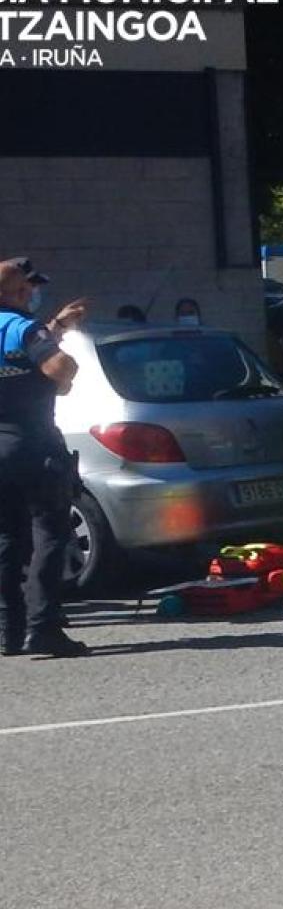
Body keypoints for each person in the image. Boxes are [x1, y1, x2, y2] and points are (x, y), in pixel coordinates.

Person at [0, 258, 89, 657]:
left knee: (5, 539)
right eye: (27, 288)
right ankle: (45, 627)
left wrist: (57, 328)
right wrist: (64, 372)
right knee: (50, 534)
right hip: (34, 445)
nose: (33, 293)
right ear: (18, 292)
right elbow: (58, 367)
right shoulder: (24, 328)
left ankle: (8, 631)